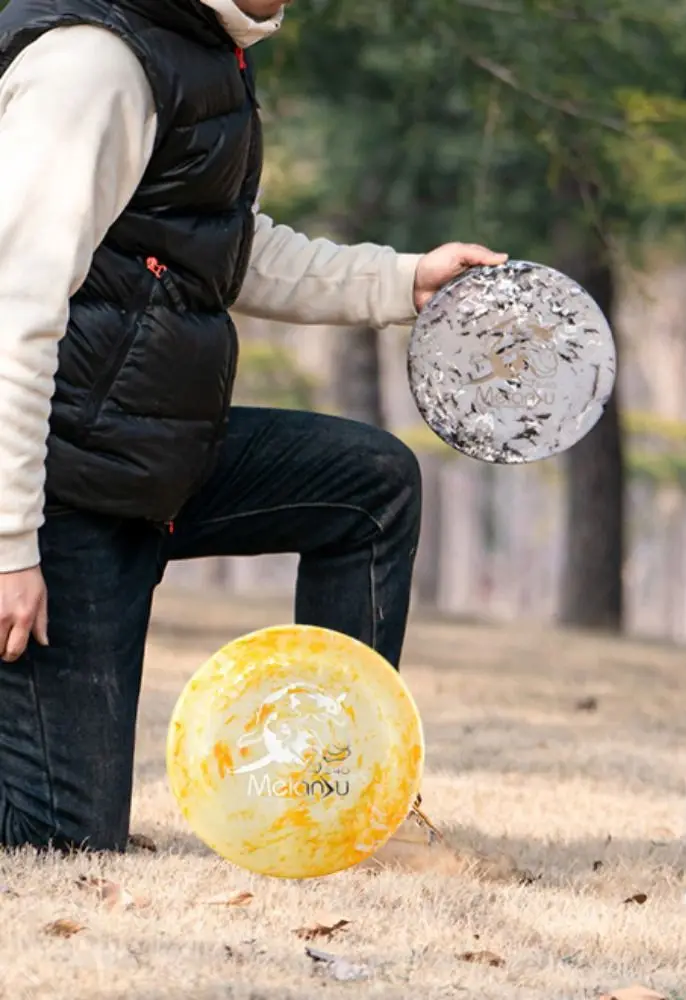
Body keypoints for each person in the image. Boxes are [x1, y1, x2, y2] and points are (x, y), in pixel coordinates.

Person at [0, 0, 508, 870]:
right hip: (59, 487)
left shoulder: (204, 51)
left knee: (369, 486)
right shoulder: (95, 65)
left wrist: (400, 280)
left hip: (145, 458)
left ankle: (341, 796)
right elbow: (13, 308)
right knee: (62, 841)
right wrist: (8, 545)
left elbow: (217, 246)